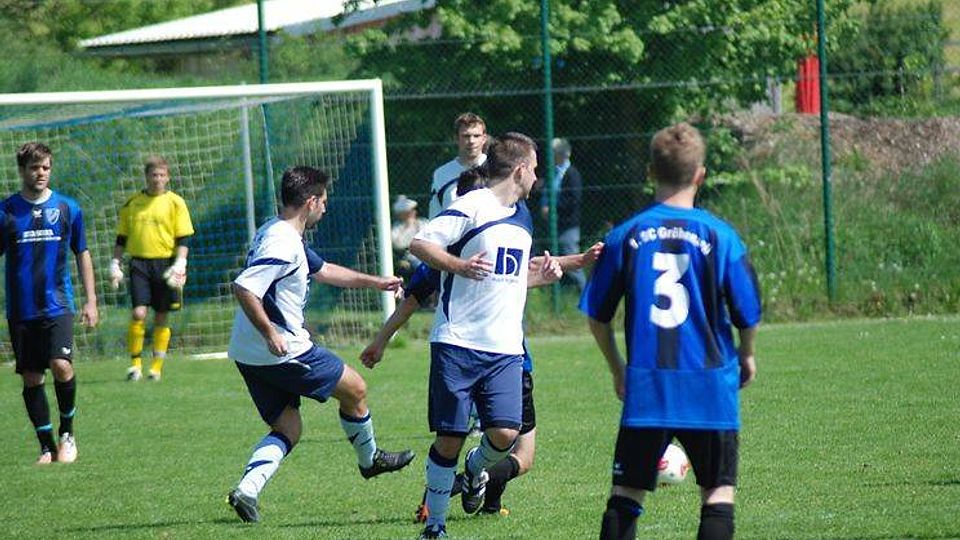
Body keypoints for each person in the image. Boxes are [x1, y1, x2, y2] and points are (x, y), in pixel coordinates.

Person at [361, 168, 603, 523]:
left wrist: (577, 261)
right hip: (461, 351)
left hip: (509, 357)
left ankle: (478, 482)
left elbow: (524, 271)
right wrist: (380, 341)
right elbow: (411, 300)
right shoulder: (448, 253)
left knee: (515, 446)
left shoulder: (509, 229)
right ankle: (446, 505)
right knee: (456, 438)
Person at [579, 123, 762, 540]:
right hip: (711, 385)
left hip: (649, 386)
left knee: (626, 495)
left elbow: (597, 316)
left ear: (650, 173)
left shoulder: (625, 236)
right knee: (717, 493)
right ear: (700, 175)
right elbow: (747, 314)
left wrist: (617, 369)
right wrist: (747, 354)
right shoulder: (723, 236)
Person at [225, 165, 414, 523]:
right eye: (323, 201)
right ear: (310, 202)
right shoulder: (282, 242)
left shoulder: (277, 231)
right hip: (282, 350)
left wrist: (377, 283)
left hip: (247, 353)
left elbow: (324, 270)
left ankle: (246, 491)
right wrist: (271, 333)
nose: (326, 208)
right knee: (356, 389)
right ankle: (370, 460)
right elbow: (244, 288)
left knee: (289, 428)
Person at [409, 133, 563, 539]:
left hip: (506, 349)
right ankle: (436, 527)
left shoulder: (523, 216)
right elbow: (420, 243)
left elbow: (508, 276)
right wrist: (458, 266)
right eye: (534, 168)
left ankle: (476, 470)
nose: (537, 176)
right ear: (519, 170)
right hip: (458, 341)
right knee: (449, 438)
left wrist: (541, 276)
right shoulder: (473, 205)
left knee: (505, 434)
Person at [1, 142, 99, 464]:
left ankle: (67, 433)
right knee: (32, 377)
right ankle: (46, 446)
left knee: (61, 365)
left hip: (58, 305)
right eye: (34, 168)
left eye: (45, 167)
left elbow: (82, 254)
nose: (40, 173)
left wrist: (91, 300)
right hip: (21, 309)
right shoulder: (6, 212)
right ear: (22, 171)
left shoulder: (68, 208)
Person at [109, 156, 194, 382]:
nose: (157, 179)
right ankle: (135, 365)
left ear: (168, 177)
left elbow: (183, 237)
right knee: (138, 312)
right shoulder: (132, 204)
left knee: (161, 315)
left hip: (166, 264)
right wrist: (115, 263)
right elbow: (121, 238)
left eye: (161, 175)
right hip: (139, 264)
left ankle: (156, 367)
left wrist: (181, 263)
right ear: (146, 176)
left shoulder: (176, 202)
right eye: (153, 175)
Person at [540, 137, 585, 290]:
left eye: (553, 153)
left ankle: (585, 292)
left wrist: (552, 208)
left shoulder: (572, 174)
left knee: (572, 262)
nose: (550, 156)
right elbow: (547, 191)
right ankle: (555, 294)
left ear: (561, 154)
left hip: (568, 225)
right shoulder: (552, 173)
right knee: (553, 260)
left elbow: (573, 200)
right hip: (554, 224)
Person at [428, 112, 488, 219]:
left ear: (484, 138)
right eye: (466, 136)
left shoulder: (497, 168)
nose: (471, 141)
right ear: (456, 138)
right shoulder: (442, 174)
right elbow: (435, 218)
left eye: (476, 136)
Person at [390, 194, 428, 279]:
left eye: (413, 210)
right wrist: (407, 226)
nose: (413, 212)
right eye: (409, 211)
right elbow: (397, 244)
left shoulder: (423, 222)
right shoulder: (397, 228)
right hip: (408, 256)